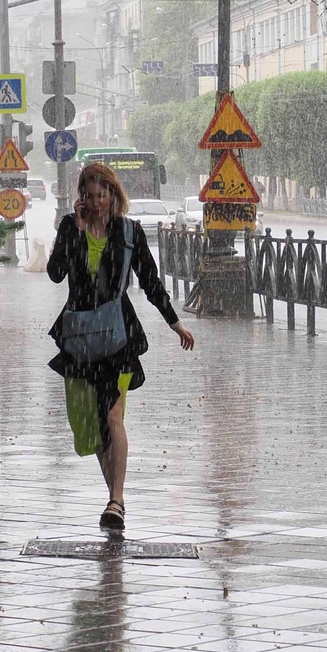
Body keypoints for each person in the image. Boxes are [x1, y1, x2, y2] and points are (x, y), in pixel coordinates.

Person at [47, 162, 195, 531]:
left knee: (113, 417)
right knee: (92, 426)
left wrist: (174, 322)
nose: (96, 203)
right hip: (79, 338)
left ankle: (117, 500)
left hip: (118, 337)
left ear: (113, 194)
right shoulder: (70, 226)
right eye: (90, 196)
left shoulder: (129, 232)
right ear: (81, 196)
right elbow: (55, 273)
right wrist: (78, 233)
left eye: (102, 195)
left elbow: (150, 280)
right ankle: (113, 495)